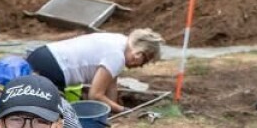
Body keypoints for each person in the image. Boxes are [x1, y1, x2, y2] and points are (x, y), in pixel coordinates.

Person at [26, 29, 164, 113]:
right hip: (50, 68)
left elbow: (110, 83)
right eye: (145, 61)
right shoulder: (117, 56)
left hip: (43, 55)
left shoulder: (119, 41)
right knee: (53, 114)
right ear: (138, 55)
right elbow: (95, 95)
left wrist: (114, 108)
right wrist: (123, 110)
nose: (141, 66)